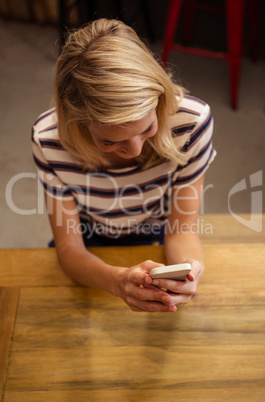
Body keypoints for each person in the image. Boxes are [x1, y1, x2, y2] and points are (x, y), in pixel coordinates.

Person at [32, 18, 216, 313]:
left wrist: (191, 271)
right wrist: (117, 281)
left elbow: (181, 230)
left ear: (158, 99)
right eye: (109, 141)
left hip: (155, 234)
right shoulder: (48, 139)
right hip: (88, 239)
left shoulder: (191, 122)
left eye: (147, 129)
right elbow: (70, 249)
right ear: (77, 121)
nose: (134, 150)